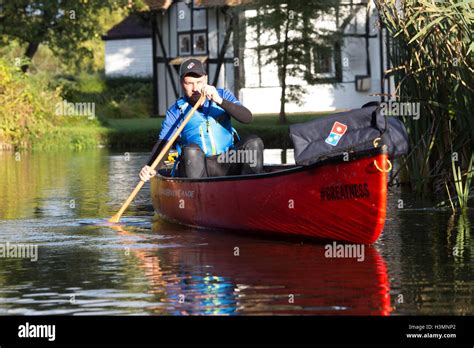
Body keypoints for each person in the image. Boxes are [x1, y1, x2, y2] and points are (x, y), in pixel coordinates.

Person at [139, 58, 263, 181]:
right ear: (182, 83)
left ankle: (250, 188)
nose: (195, 88)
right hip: (197, 167)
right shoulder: (176, 111)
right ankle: (198, 194)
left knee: (254, 142)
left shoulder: (222, 95)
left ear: (206, 79)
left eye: (199, 82)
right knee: (191, 150)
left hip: (227, 162)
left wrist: (219, 101)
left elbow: (247, 118)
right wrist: (151, 166)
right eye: (189, 83)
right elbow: (164, 144)